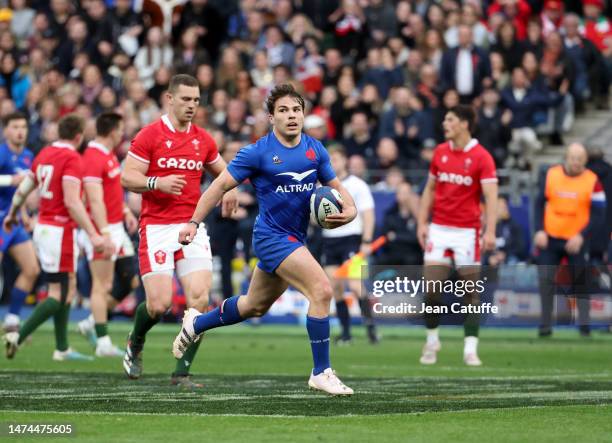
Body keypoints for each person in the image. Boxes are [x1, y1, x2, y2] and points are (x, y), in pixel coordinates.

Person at [173, 84, 358, 396]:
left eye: (296, 110)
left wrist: (350, 212)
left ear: (304, 114)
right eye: (283, 110)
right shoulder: (257, 152)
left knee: (252, 306)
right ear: (271, 117)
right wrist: (193, 222)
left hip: (295, 238)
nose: (291, 116)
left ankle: (196, 324)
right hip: (272, 238)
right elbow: (218, 186)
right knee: (322, 290)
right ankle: (321, 371)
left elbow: (341, 192)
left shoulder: (315, 150)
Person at [120, 74, 237, 388]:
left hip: (191, 225)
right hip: (156, 226)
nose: (192, 105)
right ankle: (136, 339)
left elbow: (224, 172)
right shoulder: (149, 135)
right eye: (186, 99)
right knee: (158, 305)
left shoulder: (203, 139)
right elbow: (127, 177)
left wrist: (229, 189)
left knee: (199, 301)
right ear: (169, 99)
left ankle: (181, 373)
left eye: (196, 100)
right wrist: (156, 182)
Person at [3, 114, 111, 360]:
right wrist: (94, 234)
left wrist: (12, 214)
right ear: (78, 136)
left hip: (45, 227)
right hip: (59, 230)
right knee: (58, 293)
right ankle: (17, 336)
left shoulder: (44, 153)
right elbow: (72, 202)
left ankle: (62, 348)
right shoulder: (71, 157)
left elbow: (24, 188)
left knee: (69, 286)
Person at [416, 105, 498, 366]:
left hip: (467, 232)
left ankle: (470, 348)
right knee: (431, 290)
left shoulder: (482, 157)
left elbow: (491, 197)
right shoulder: (440, 152)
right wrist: (421, 222)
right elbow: (429, 189)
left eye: (449, 119)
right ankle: (431, 341)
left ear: (464, 123)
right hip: (439, 228)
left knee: (470, 292)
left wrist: (491, 230)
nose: (444, 123)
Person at [76, 112, 139, 357]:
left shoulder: (108, 155)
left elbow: (111, 191)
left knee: (130, 281)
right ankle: (102, 342)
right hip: (102, 229)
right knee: (102, 285)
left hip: (116, 226)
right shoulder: (92, 156)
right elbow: (93, 198)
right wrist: (102, 233)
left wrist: (125, 210)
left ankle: (92, 322)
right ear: (113, 131)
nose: (122, 134)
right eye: (121, 129)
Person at [534, 143, 606, 337]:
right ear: (566, 157)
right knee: (545, 280)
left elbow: (600, 214)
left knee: (581, 282)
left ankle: (584, 327)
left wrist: (582, 236)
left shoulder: (593, 181)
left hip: (577, 240)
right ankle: (545, 325)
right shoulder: (551, 174)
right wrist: (539, 230)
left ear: (585, 161)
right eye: (573, 158)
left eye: (580, 159)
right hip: (551, 238)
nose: (576, 162)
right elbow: (539, 203)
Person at [321, 145, 377, 345]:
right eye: (330, 160)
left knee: (355, 285)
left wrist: (367, 240)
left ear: (345, 161)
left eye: (336, 159)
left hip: (351, 238)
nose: (333, 163)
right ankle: (346, 333)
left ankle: (371, 327)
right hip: (329, 239)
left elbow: (368, 214)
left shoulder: (357, 185)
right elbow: (315, 215)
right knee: (334, 287)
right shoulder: (322, 186)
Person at [0, 112, 39, 333]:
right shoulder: (1, 153)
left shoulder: (27, 156)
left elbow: (22, 191)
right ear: (6, 130)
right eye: (15, 127)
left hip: (12, 221)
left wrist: (24, 215)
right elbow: (14, 183)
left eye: (23, 126)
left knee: (31, 269)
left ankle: (12, 319)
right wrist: (8, 180)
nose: (20, 131)